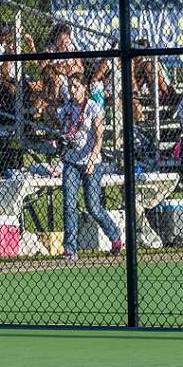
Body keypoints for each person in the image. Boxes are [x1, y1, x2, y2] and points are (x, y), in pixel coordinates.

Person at [59, 73, 122, 260]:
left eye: (76, 86)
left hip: (90, 161)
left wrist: (92, 160)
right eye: (71, 86)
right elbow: (64, 131)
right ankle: (70, 248)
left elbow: (98, 137)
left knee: (93, 206)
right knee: (69, 204)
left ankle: (115, 235)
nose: (72, 90)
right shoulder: (67, 108)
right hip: (71, 161)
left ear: (84, 88)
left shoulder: (93, 108)